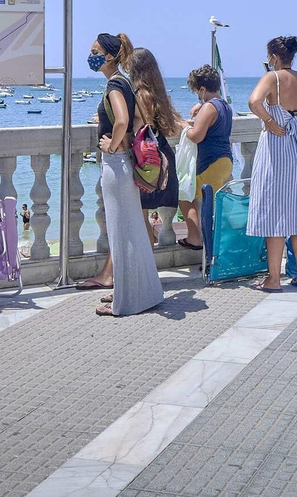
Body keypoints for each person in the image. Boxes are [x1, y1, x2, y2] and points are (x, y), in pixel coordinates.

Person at [84, 33, 164, 317]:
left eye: (94, 51)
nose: (90, 55)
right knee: (130, 231)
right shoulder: (126, 82)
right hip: (124, 164)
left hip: (115, 163)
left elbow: (123, 120)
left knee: (121, 233)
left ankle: (125, 301)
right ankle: (139, 292)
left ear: (108, 56)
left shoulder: (115, 84)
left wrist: (113, 143)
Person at [247, 35, 297, 292]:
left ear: (274, 57)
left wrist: (268, 120)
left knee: (274, 214)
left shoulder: (272, 77)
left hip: (277, 149)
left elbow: (253, 101)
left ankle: (274, 279)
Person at [128, 47, 183, 250]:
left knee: (140, 217)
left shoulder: (141, 95)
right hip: (160, 153)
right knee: (142, 217)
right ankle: (148, 268)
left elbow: (139, 126)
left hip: (146, 158)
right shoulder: (156, 93)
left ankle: (146, 271)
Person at [180, 65, 232, 252]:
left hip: (211, 162)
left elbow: (196, 136)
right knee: (212, 206)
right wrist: (201, 106)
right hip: (225, 161)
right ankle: (213, 247)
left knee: (184, 194)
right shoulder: (224, 105)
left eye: (196, 91)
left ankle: (198, 241)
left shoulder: (209, 107)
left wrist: (185, 126)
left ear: (202, 89)